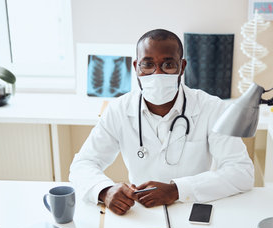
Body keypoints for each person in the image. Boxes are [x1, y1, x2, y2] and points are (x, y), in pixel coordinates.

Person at [69, 29, 254, 215]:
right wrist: (104, 190)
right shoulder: (118, 110)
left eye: (168, 64)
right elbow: (83, 164)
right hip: (141, 212)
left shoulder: (211, 108)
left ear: (182, 66)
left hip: (192, 208)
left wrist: (177, 190)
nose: (157, 73)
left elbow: (241, 172)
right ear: (136, 67)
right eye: (148, 65)